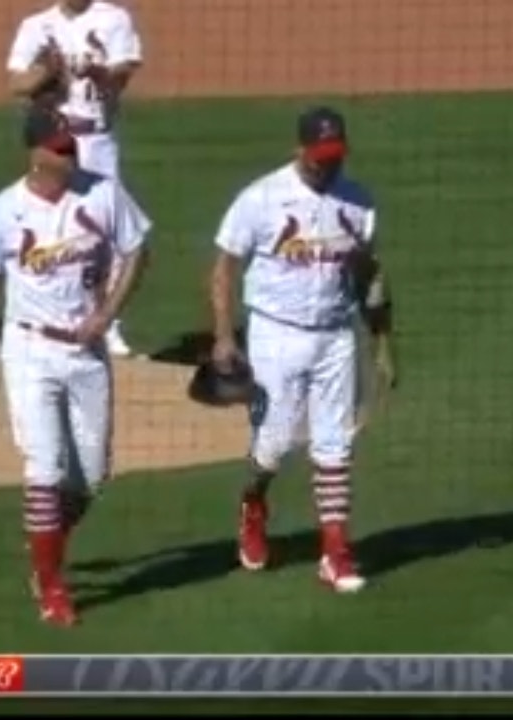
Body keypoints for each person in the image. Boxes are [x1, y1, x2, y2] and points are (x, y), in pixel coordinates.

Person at [0, 107, 152, 626]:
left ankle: (49, 549)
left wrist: (107, 315)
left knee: (90, 477)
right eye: (59, 149)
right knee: (45, 467)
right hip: (29, 351)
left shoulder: (102, 193)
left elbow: (138, 250)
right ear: (35, 153)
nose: (69, 155)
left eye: (71, 147)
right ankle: (51, 585)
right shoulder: (4, 210)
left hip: (86, 354)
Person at [207, 106, 399, 594]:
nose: (327, 166)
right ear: (300, 150)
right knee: (273, 444)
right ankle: (253, 502)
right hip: (276, 334)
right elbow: (224, 267)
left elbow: (369, 276)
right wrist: (225, 337)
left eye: (335, 157)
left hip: (336, 334)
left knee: (335, 443)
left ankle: (335, 554)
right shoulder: (263, 198)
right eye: (319, 158)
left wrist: (382, 345)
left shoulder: (358, 203)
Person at [6, 0, 143, 357]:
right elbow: (16, 84)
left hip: (96, 138)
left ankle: (107, 323)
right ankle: (47, 309)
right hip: (52, 142)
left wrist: (96, 72)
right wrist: (47, 72)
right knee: (51, 223)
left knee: (107, 229)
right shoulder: (36, 25)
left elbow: (123, 75)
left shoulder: (113, 18)